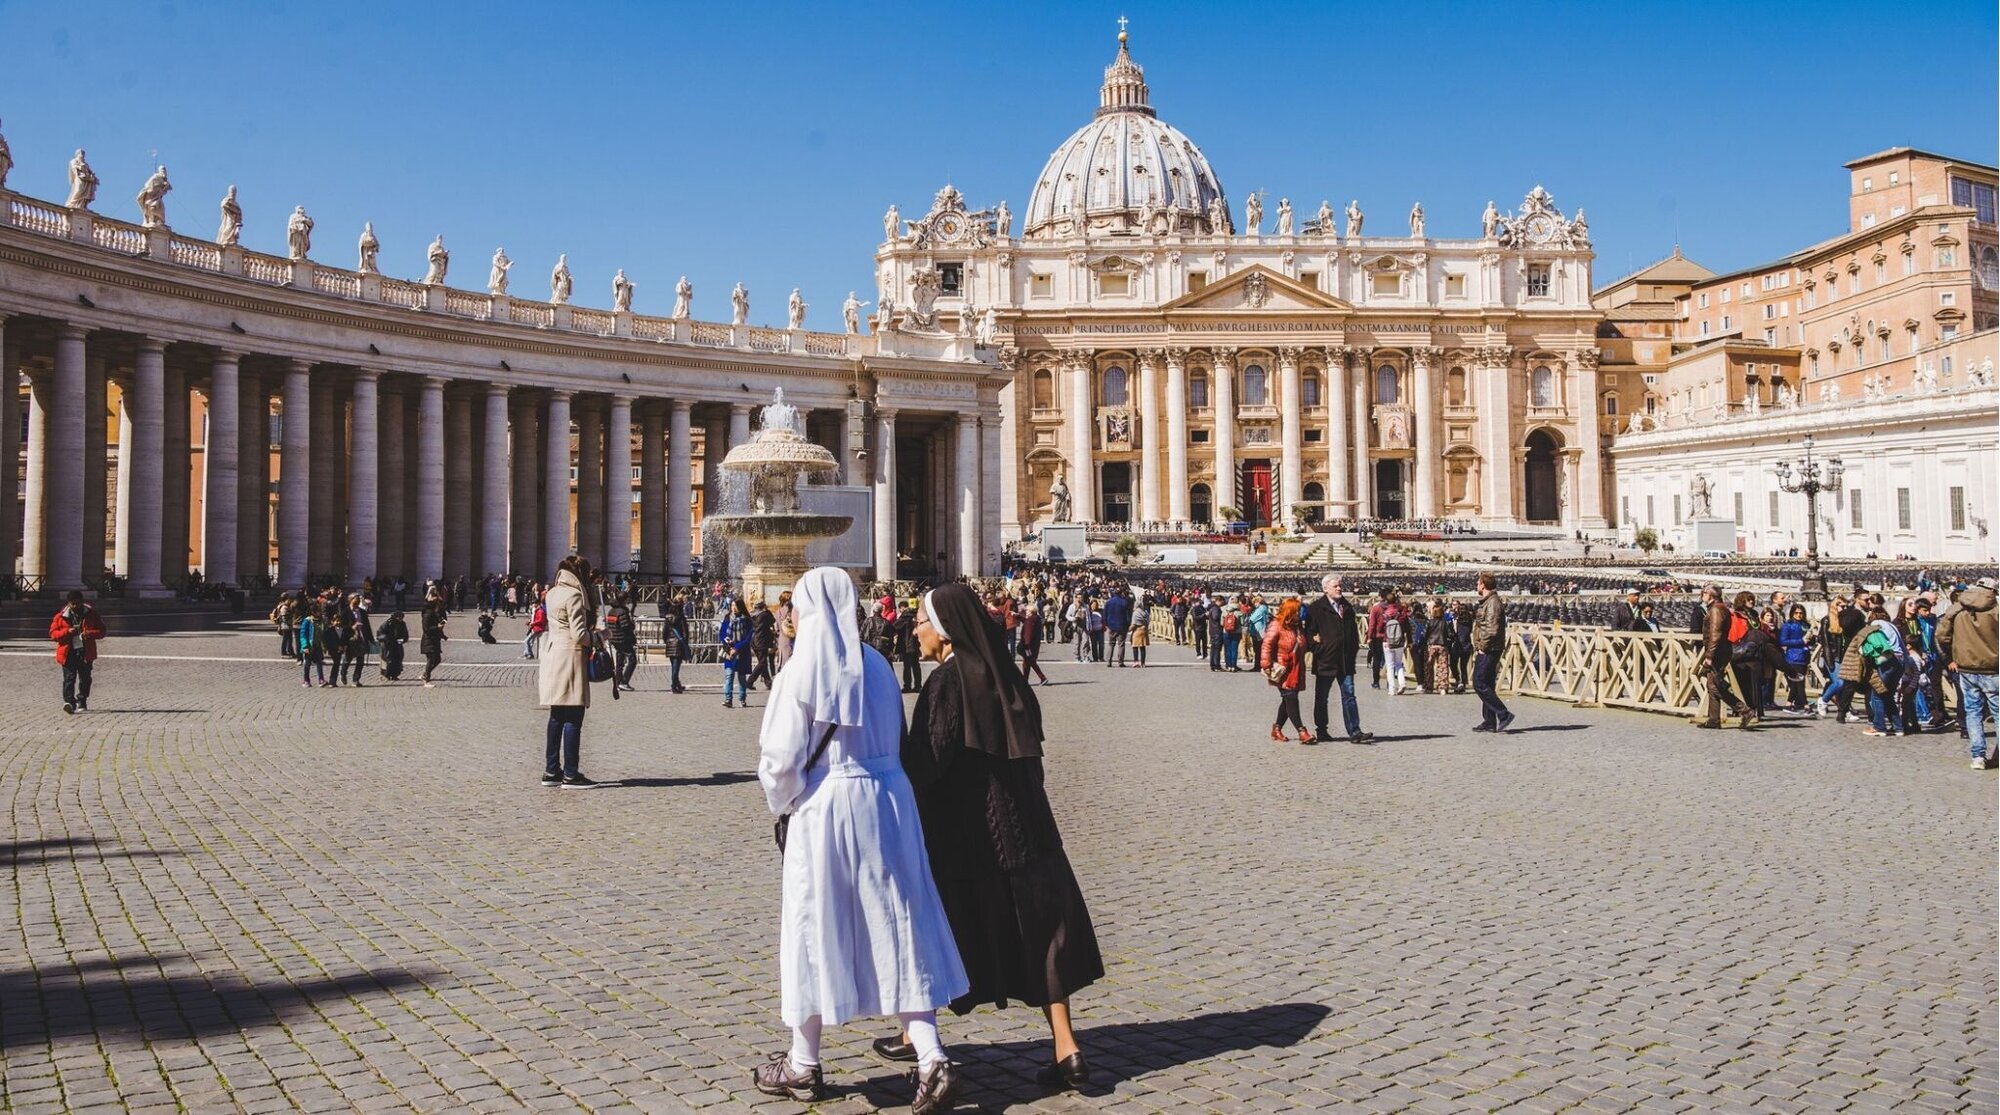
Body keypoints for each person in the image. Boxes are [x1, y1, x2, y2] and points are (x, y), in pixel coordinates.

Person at [752, 568, 968, 1111]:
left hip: (825, 807)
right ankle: (931, 1055)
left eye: (796, 608)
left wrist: (785, 805)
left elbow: (779, 763)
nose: (792, 618)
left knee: (810, 925)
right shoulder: (876, 665)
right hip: (888, 802)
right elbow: (895, 734)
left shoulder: (799, 671)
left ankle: (803, 1061)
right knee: (896, 923)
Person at [879, 584, 1104, 1093]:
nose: (913, 630)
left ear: (945, 628)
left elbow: (928, 764)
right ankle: (1067, 1048)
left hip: (968, 837)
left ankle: (918, 1035)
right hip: (1028, 832)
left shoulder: (946, 683)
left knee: (939, 924)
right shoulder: (1010, 680)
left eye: (920, 621)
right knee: (1042, 934)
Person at [539, 554, 601, 788]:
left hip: (554, 654)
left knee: (556, 716)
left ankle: (551, 770)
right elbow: (579, 634)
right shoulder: (574, 595)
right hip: (570, 657)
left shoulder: (553, 592)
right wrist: (598, 636)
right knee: (574, 717)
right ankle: (571, 774)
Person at [1938, 576, 1997, 769]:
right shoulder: (1995, 609)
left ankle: (1977, 756)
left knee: (1973, 712)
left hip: (1966, 667)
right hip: (1992, 667)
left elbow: (1941, 635)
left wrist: (1956, 651)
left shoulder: (1957, 607)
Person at [1305, 575, 1372, 744]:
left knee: (1349, 696)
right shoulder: (1316, 608)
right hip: (1325, 661)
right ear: (1325, 588)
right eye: (1336, 586)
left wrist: (1353, 649)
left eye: (1340, 585)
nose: (1339, 588)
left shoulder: (1347, 607)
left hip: (1345, 661)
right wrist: (1320, 650)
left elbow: (1354, 633)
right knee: (1322, 698)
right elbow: (1310, 635)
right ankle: (1322, 730)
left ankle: (1355, 731)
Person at [1697, 586, 1750, 729]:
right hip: (1721, 650)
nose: (1703, 595)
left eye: (1705, 592)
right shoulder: (1720, 608)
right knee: (1712, 684)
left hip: (1718, 652)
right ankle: (1714, 719)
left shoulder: (1716, 610)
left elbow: (1716, 634)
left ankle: (1744, 710)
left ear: (1711, 595)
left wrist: (1709, 656)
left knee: (1715, 686)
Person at [1260, 598, 1311, 743]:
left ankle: (1276, 729)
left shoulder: (1297, 626)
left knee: (1287, 699)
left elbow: (1302, 644)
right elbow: (1267, 645)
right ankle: (1302, 731)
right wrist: (1266, 664)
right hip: (1282, 669)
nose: (1300, 613)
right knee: (1291, 698)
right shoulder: (1276, 625)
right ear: (1291, 611)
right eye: (1298, 610)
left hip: (1295, 668)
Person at [1470, 573, 1515, 733]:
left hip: (1489, 648)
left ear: (1483, 585)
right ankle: (1489, 721)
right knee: (1487, 684)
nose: (1476, 586)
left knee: (1478, 682)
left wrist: (1483, 646)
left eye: (1478, 583)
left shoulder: (1493, 603)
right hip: (1488, 647)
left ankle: (1503, 714)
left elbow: (1492, 628)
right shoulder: (1488, 602)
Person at [50, 591, 106, 714]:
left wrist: (89, 634)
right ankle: (69, 702)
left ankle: (82, 699)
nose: (75, 606)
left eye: (77, 603)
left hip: (85, 651)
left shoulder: (92, 614)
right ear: (68, 604)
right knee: (69, 678)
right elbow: (53, 634)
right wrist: (67, 632)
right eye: (73, 604)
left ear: (82, 602)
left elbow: (102, 631)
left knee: (85, 678)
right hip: (68, 651)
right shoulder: (60, 617)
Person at [1778, 604, 1813, 712]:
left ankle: (1789, 704)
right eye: (1796, 613)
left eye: (1801, 613)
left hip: (1804, 656)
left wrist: (1812, 639)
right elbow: (1783, 641)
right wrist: (1801, 641)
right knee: (1799, 682)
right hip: (1793, 657)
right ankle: (1805, 705)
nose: (1799, 615)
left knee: (1795, 683)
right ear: (1792, 613)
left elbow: (1810, 641)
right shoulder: (1787, 625)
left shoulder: (1806, 625)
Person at [721, 597, 754, 708]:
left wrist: (737, 647)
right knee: (729, 675)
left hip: (742, 652)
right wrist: (728, 646)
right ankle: (728, 699)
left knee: (741, 677)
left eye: (736, 606)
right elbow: (722, 634)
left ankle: (742, 698)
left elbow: (748, 638)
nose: (733, 608)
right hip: (729, 651)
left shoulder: (747, 620)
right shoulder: (727, 618)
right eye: (732, 606)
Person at [602, 592, 638, 692]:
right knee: (632, 660)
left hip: (614, 639)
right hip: (623, 639)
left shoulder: (611, 611)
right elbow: (625, 626)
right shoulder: (622, 612)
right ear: (624, 600)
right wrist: (632, 625)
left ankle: (618, 681)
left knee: (619, 661)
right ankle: (624, 682)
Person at [1379, 592, 1410, 695]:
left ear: (1386, 601)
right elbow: (1407, 628)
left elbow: (1380, 628)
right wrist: (1409, 640)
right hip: (1400, 641)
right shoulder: (1401, 614)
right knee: (1398, 664)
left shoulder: (1384, 614)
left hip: (1387, 642)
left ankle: (1392, 689)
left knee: (1390, 665)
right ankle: (1402, 683)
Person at [1016, 598, 1050, 685]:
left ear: (1031, 611)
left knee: (1030, 661)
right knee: (1028, 662)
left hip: (1029, 645)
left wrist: (1026, 644)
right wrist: (1018, 616)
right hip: (1034, 644)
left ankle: (1042, 677)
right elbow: (1026, 621)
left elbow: (1028, 633)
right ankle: (1026, 680)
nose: (1026, 612)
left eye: (1027, 610)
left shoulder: (1031, 620)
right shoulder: (1036, 618)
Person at [419, 587, 448, 688]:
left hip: (434, 638)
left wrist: (443, 635)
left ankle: (425, 674)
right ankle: (426, 680)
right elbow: (426, 628)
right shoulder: (428, 614)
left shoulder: (434, 613)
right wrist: (437, 627)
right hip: (428, 639)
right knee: (431, 659)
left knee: (437, 659)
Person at [662, 595, 691, 694]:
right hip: (679, 644)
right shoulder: (681, 619)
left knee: (674, 666)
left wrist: (667, 641)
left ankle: (677, 684)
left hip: (670, 644)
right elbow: (685, 633)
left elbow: (664, 633)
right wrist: (685, 644)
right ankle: (674, 686)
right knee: (676, 667)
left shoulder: (667, 619)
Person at [297, 604, 327, 688]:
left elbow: (323, 634)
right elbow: (303, 634)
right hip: (309, 646)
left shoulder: (321, 621)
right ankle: (306, 680)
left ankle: (321, 680)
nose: (320, 612)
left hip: (317, 645)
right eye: (318, 611)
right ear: (313, 612)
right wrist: (305, 646)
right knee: (307, 664)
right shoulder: (307, 621)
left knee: (319, 663)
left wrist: (325, 646)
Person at [1102, 587, 1131, 667]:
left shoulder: (1108, 602)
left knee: (1111, 644)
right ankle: (1120, 662)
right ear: (1121, 593)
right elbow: (1128, 616)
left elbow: (1104, 614)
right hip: (1122, 626)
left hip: (1111, 626)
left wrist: (1106, 624)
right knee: (1121, 645)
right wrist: (1128, 625)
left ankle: (1109, 661)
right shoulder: (1124, 602)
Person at [376, 610, 409, 680]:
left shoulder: (402, 624)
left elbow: (405, 635)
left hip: (397, 644)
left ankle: (395, 674)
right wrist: (385, 638)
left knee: (398, 659)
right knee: (388, 659)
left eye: (402, 618)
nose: (400, 619)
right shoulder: (388, 623)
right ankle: (386, 674)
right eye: (399, 617)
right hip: (387, 644)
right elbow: (380, 633)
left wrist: (402, 640)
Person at [1129, 595, 1151, 667]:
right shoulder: (1145, 612)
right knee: (1142, 647)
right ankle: (1143, 663)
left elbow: (1134, 624)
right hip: (1144, 630)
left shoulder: (1135, 613)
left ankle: (1136, 661)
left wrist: (1129, 630)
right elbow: (1148, 621)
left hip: (1137, 630)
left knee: (1135, 646)